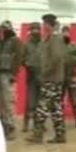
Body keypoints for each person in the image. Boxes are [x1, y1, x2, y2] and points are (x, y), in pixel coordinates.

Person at [26, 13, 66, 144]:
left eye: (44, 24)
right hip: (53, 79)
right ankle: (60, 135)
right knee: (55, 109)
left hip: (51, 79)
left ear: (48, 25)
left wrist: (45, 72)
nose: (43, 27)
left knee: (42, 107)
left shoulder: (55, 38)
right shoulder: (50, 39)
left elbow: (56, 57)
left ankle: (37, 135)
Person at [0, 20, 23, 140]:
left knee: (9, 102)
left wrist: (14, 74)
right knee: (3, 103)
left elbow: (19, 57)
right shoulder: (2, 42)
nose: (4, 31)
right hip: (0, 73)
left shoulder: (15, 41)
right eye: (2, 29)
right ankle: (4, 126)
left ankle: (11, 127)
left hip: (8, 74)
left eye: (5, 28)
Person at [61, 25, 76, 129]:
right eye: (64, 32)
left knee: (74, 100)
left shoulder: (73, 46)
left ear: (69, 33)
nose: (66, 34)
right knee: (59, 101)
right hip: (60, 77)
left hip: (71, 76)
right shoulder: (58, 46)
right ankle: (59, 121)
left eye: (67, 32)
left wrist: (74, 59)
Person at [22, 22, 42, 132]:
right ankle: (26, 123)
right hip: (31, 76)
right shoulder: (26, 45)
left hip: (42, 76)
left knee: (40, 102)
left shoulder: (43, 44)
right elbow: (22, 59)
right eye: (34, 29)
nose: (36, 31)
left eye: (37, 29)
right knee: (30, 101)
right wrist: (28, 65)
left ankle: (38, 124)